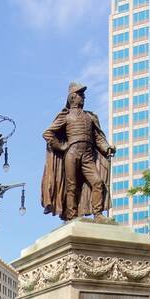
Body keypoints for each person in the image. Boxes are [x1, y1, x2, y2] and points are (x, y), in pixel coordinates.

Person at [40, 82, 116, 220]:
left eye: (83, 95)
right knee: (72, 186)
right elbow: (48, 133)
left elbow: (98, 138)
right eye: (80, 95)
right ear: (72, 98)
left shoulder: (90, 117)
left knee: (97, 182)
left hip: (88, 154)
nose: (83, 97)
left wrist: (107, 147)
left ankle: (98, 214)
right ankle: (72, 215)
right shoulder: (65, 116)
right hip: (72, 152)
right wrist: (62, 146)